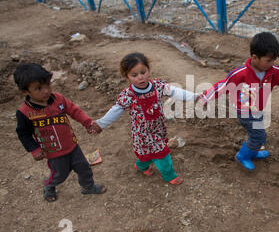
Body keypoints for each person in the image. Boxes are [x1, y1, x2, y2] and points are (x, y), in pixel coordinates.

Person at [199, 32, 279, 170]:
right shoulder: (240, 74)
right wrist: (206, 97)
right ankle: (243, 156)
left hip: (258, 109)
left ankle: (252, 151)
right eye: (269, 60)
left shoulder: (272, 71)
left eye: (273, 60)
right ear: (254, 57)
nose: (272, 63)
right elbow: (223, 86)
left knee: (258, 133)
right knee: (258, 136)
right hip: (245, 112)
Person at [92, 52, 199, 185]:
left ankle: (141, 166)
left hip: (158, 128)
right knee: (162, 153)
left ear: (149, 70)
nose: (140, 78)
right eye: (134, 75)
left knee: (147, 154)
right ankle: (169, 175)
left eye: (143, 72)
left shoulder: (158, 86)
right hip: (143, 133)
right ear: (127, 76)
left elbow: (175, 91)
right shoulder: (129, 95)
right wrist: (101, 124)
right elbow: (116, 111)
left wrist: (195, 96)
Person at [14, 63, 106, 202]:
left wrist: (88, 123)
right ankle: (49, 185)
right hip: (53, 152)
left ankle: (88, 187)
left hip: (72, 146)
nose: (46, 91)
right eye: (38, 88)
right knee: (59, 174)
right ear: (25, 92)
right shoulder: (25, 112)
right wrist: (34, 149)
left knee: (84, 168)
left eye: (47, 85)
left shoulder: (58, 99)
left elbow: (75, 111)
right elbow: (23, 134)